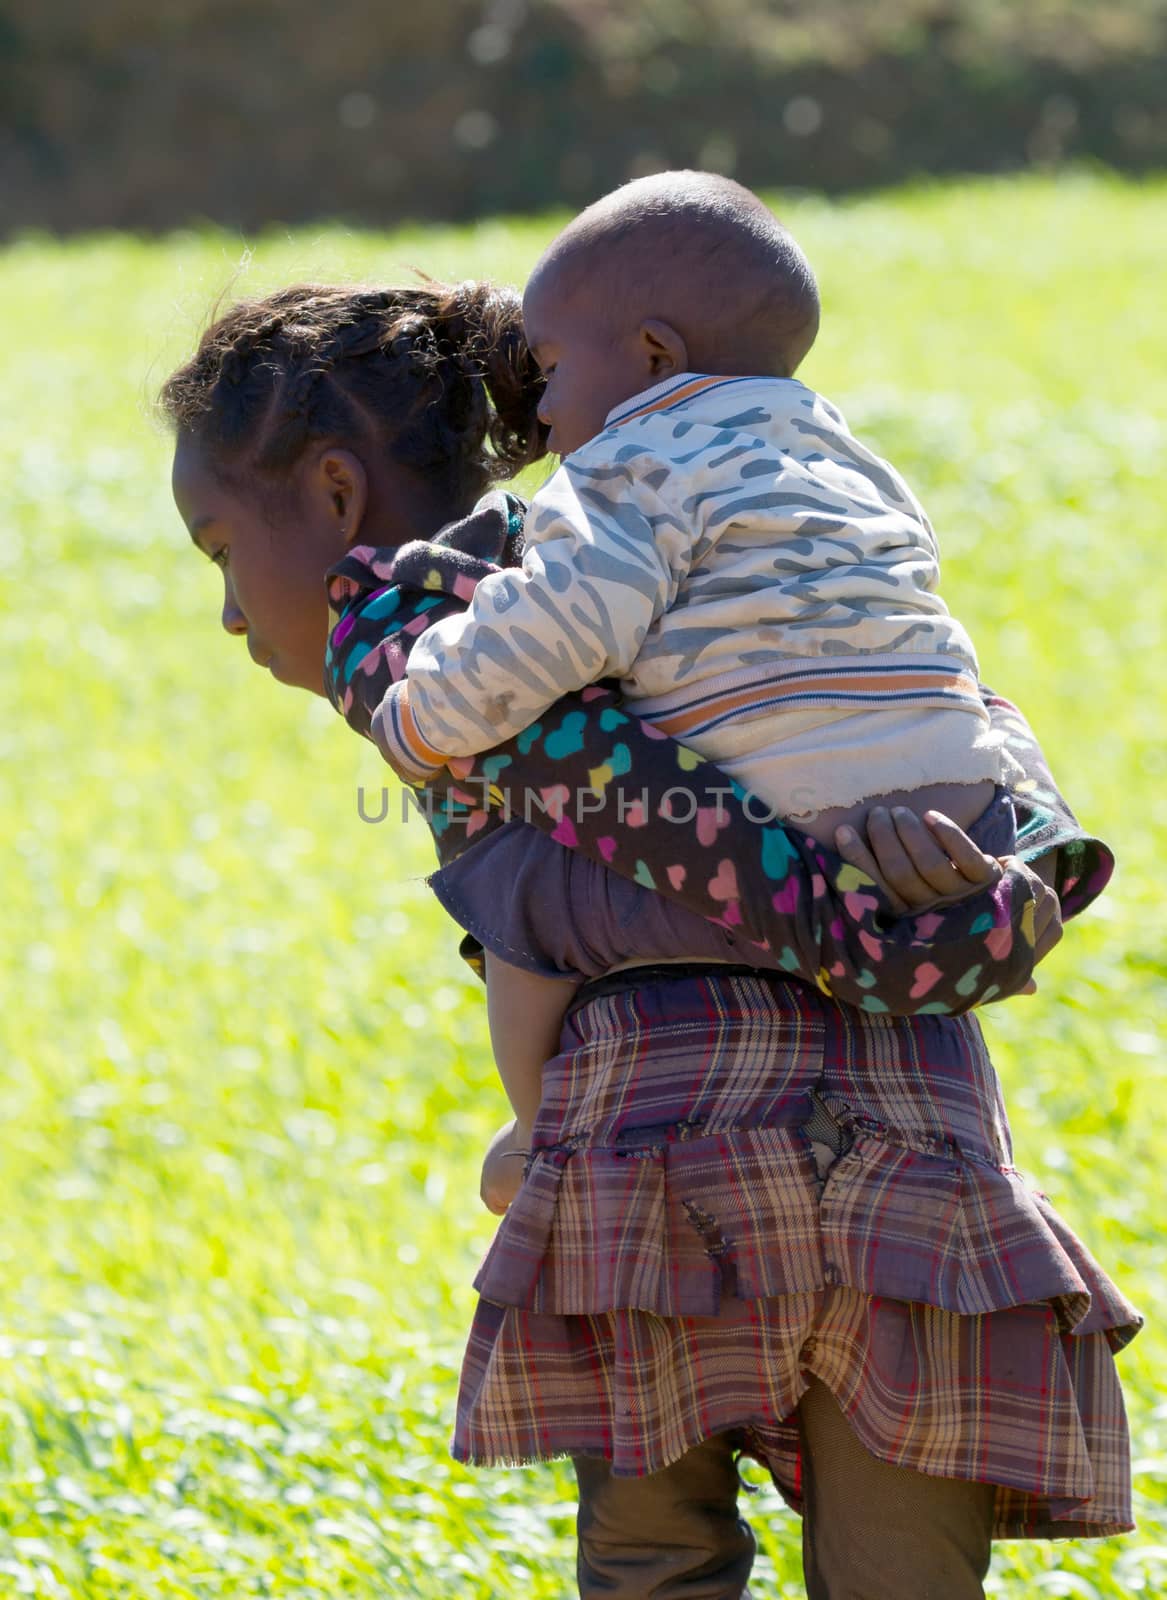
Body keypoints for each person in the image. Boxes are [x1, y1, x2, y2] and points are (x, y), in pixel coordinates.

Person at [163, 278, 1138, 1599]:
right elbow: (953, 711)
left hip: (652, 1156)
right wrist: (1008, 881)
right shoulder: (742, 516)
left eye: (219, 549)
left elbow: (609, 843)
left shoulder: (421, 643)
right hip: (916, 1136)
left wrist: (856, 932)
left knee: (651, 1562)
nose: (226, 613)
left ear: (336, 497)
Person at [358, 171, 1031, 1157]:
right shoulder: (852, 455)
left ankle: (537, 1129)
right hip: (959, 808)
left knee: (519, 891)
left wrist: (424, 714)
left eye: (548, 370)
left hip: (784, 815)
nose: (541, 413)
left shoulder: (631, 461)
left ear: (654, 356)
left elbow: (555, 620)